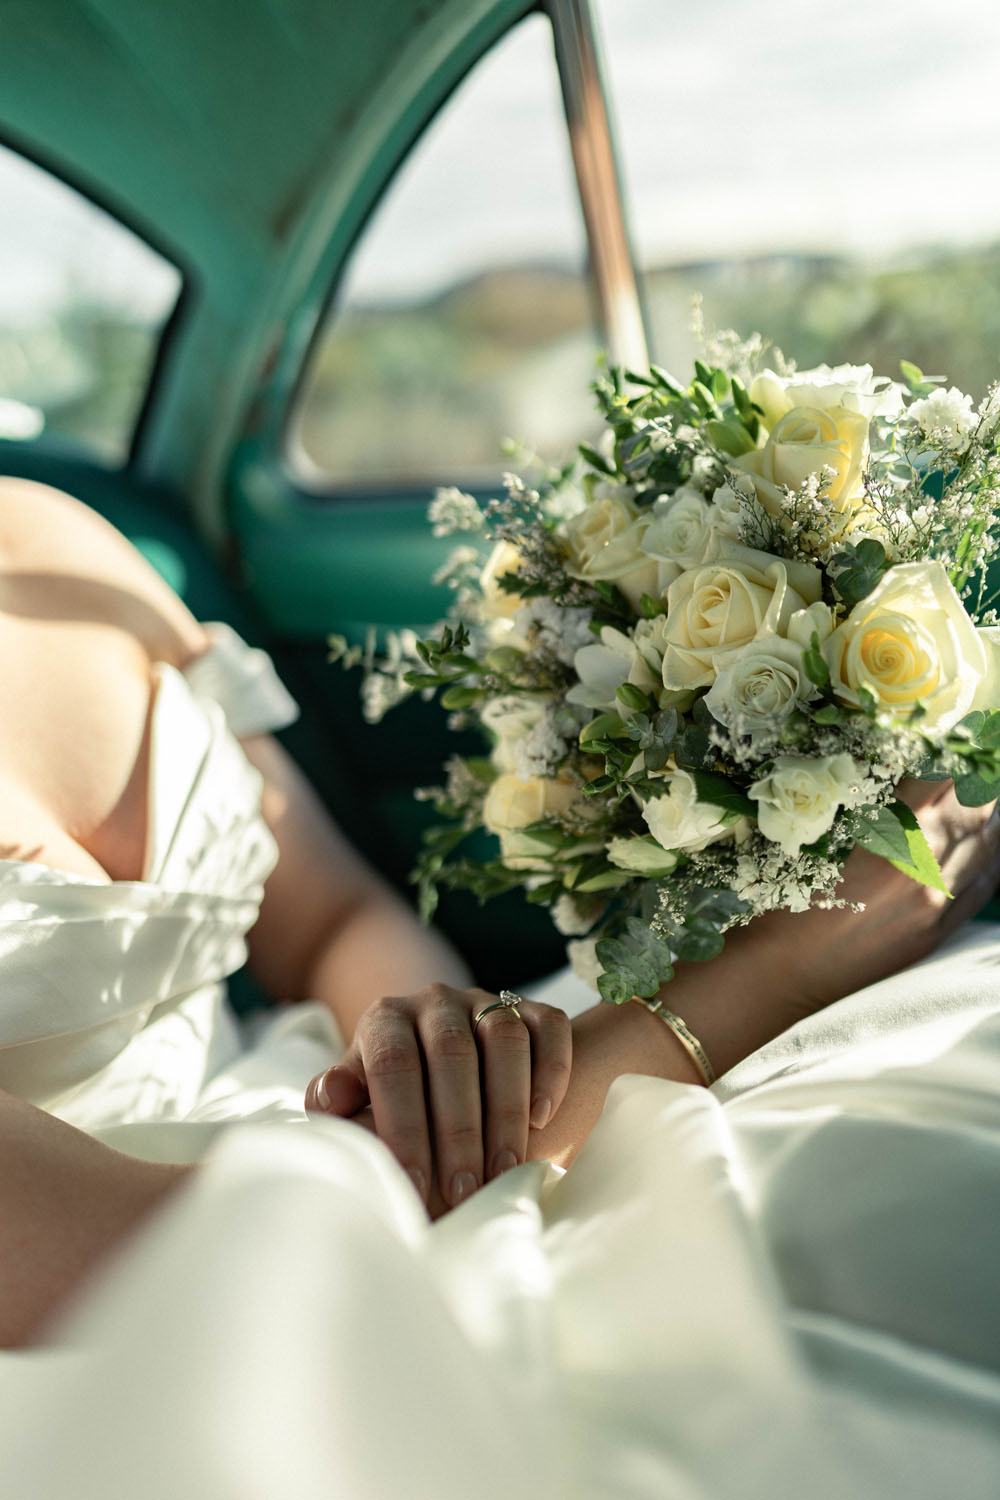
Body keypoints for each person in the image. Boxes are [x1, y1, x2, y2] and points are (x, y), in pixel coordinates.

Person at [2, 475, 1000, 1500]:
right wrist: (773, 969)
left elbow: (329, 918)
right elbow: (177, 1256)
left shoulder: (55, 545)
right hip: (226, 1289)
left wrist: (430, 1043)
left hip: (354, 1108)